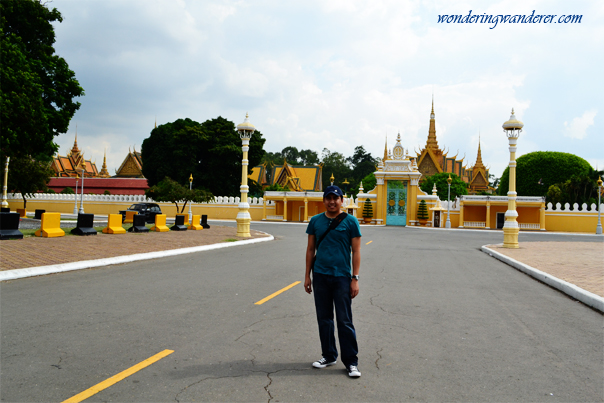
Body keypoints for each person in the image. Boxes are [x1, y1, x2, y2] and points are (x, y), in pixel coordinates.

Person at [304, 185, 362, 378]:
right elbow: (311, 250)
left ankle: (351, 362)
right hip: (320, 275)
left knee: (344, 320)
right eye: (328, 198)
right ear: (324, 201)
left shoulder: (351, 222)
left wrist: (355, 278)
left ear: (341, 200)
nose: (332, 201)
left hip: (342, 277)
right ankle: (329, 355)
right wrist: (307, 276)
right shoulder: (315, 221)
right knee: (324, 319)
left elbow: (356, 252)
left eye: (335, 198)